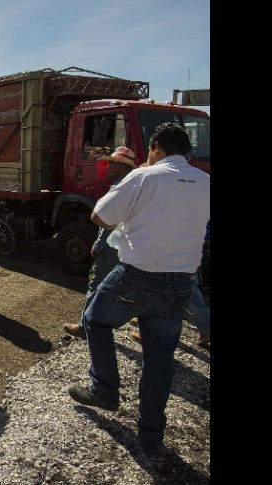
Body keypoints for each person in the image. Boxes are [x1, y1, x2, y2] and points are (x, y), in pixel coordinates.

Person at [68, 122, 210, 455]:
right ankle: (150, 436)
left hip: (138, 275)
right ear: (186, 151)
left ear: (156, 149)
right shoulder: (205, 181)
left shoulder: (143, 176)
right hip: (181, 280)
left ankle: (104, 388)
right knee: (160, 357)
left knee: (95, 320)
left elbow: (100, 217)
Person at [63, 146, 137, 339]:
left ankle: (84, 327)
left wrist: (98, 244)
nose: (108, 166)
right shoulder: (134, 185)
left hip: (112, 247)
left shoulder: (120, 188)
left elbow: (108, 222)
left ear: (122, 166)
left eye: (112, 163)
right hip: (126, 245)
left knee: (97, 284)